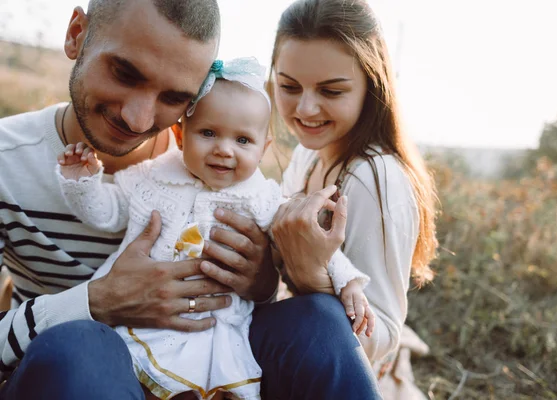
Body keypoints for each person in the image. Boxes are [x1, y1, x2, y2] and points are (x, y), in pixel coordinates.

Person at [0, 0, 383, 399]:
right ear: (76, 34)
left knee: (318, 320)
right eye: (124, 73)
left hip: (211, 349)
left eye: (173, 97)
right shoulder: (6, 160)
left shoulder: (221, 172)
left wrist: (262, 282)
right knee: (76, 349)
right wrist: (95, 302)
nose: (139, 118)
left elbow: (267, 289)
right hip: (78, 374)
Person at [266, 0, 438, 398]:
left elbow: (382, 337)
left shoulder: (373, 179)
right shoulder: (308, 155)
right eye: (289, 86)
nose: (305, 109)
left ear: (371, 86)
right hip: (302, 351)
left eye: (331, 91)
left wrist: (311, 278)